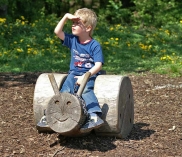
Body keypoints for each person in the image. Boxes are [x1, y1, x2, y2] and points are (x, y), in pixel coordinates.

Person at [37, 8, 104, 133]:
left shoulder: (94, 45)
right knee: (64, 91)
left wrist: (85, 76)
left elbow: (98, 65)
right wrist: (66, 16)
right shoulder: (73, 40)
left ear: (88, 28)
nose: (73, 26)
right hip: (73, 74)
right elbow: (57, 31)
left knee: (85, 90)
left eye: (77, 24)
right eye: (72, 23)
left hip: (88, 75)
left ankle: (94, 116)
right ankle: (49, 115)